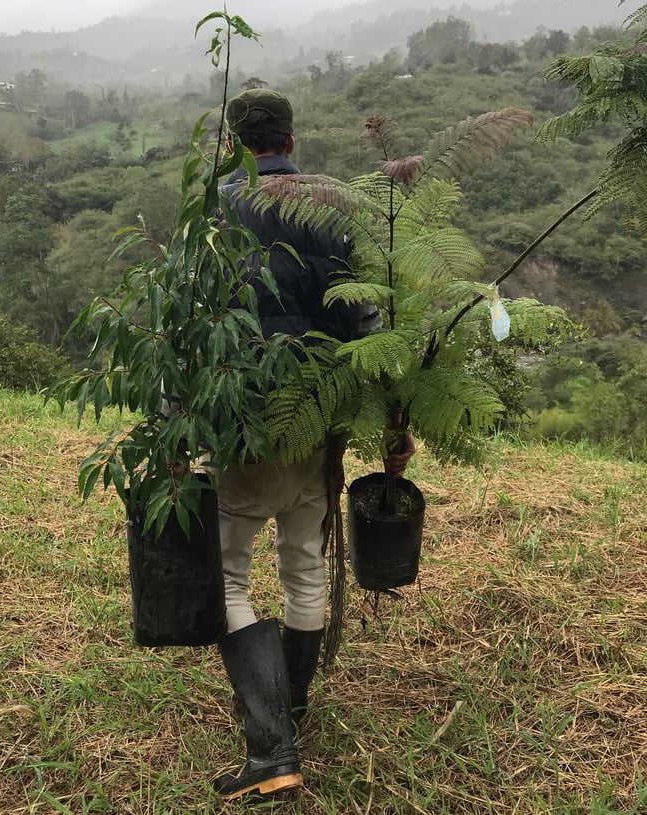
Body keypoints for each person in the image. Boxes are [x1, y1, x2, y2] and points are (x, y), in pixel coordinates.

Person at [210, 89, 415, 800]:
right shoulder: (335, 208)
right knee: (303, 566)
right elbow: (369, 321)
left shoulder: (213, 211)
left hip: (239, 423)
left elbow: (187, 326)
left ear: (234, 145)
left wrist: (177, 422)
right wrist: (393, 424)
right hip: (318, 425)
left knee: (226, 578)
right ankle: (289, 708)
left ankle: (272, 746)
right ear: (291, 142)